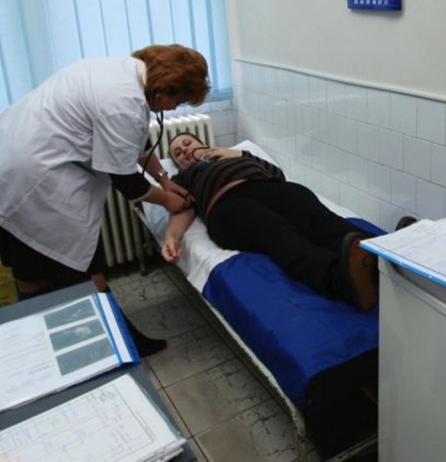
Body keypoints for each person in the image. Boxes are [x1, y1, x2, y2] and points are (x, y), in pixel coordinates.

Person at [0, 45, 210, 355]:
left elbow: (137, 142)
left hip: (11, 159)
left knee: (29, 267)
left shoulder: (123, 74)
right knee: (84, 267)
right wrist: (167, 200)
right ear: (166, 88)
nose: (174, 108)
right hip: (37, 179)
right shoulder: (124, 102)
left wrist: (164, 178)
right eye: (177, 101)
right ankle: (118, 341)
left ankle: (42, 345)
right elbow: (127, 181)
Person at [161, 132, 380, 311]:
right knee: (280, 235)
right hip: (227, 205)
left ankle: (381, 256)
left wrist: (237, 154)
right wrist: (172, 237)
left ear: (202, 143)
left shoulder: (234, 155)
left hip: (269, 187)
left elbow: (277, 174)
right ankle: (341, 281)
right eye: (178, 153)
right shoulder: (183, 178)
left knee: (320, 220)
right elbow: (182, 208)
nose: (185, 151)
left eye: (187, 143)